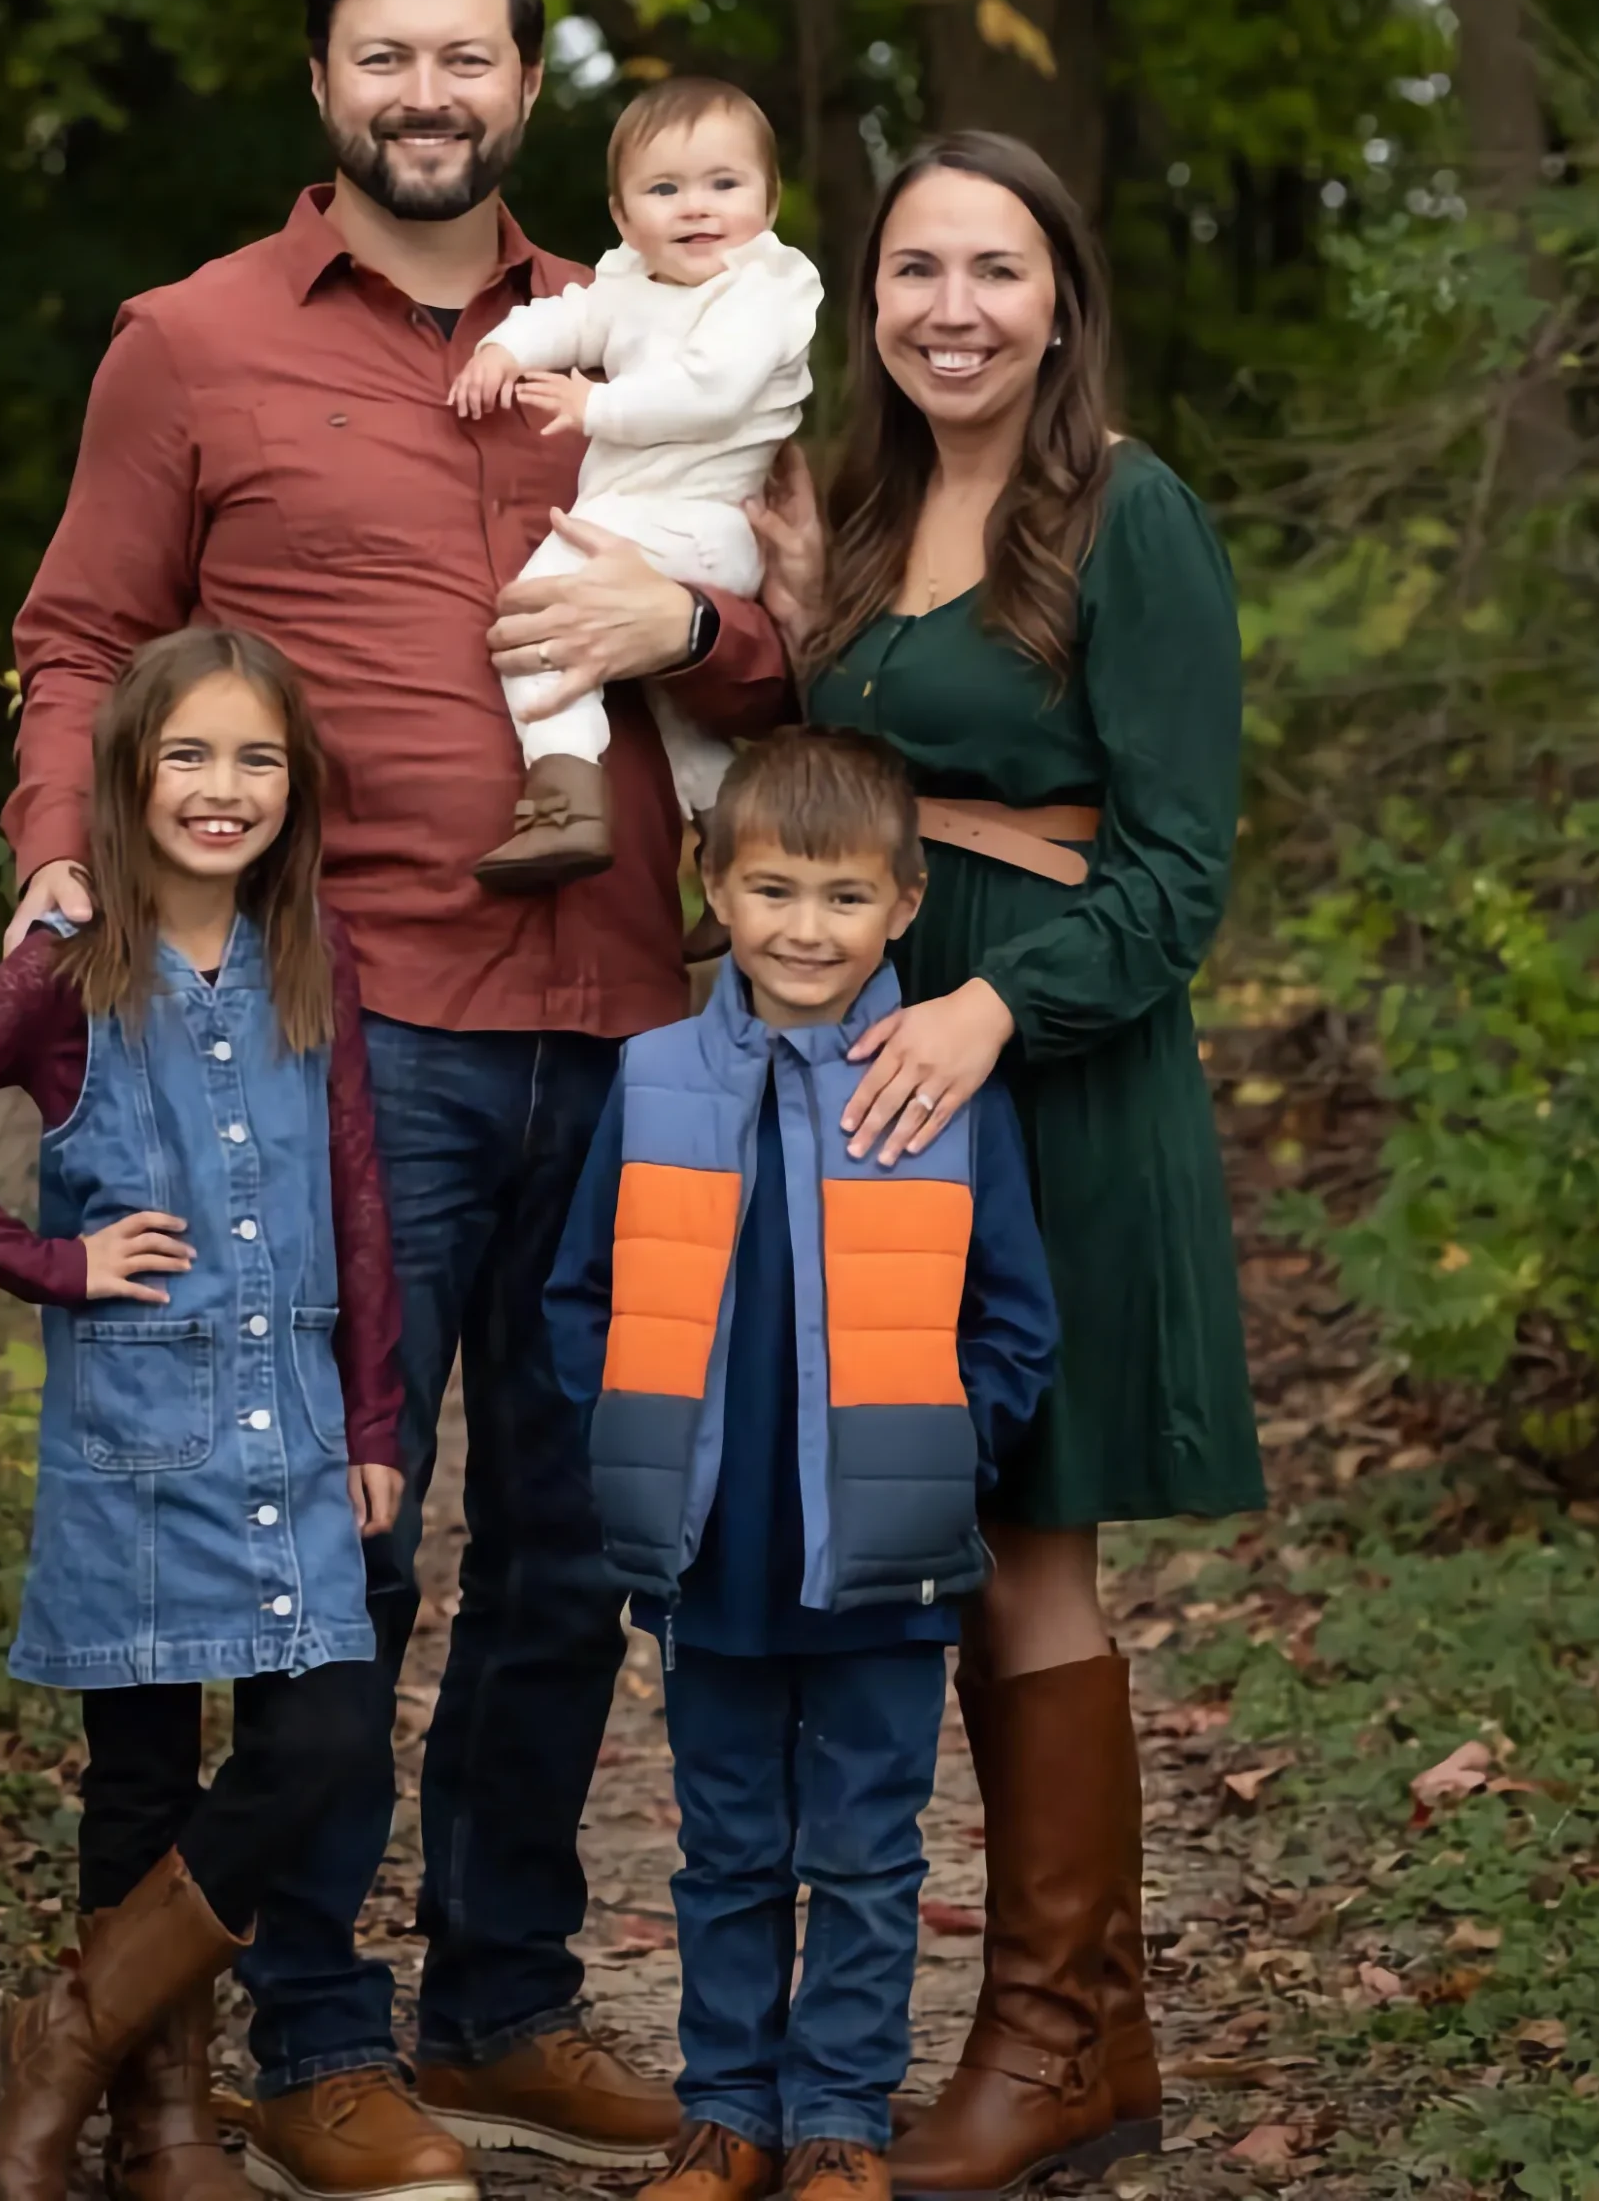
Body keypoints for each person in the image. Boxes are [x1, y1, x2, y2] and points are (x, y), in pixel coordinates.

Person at [1, 0, 792, 2201]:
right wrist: (66, 860)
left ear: (522, 82)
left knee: (573, 1537)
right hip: (329, 1041)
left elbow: (789, 626)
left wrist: (696, 616)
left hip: (638, 1019)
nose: (424, 91)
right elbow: (76, 634)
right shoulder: (192, 344)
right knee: (335, 1544)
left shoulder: (666, 314)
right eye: (382, 56)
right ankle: (310, 2027)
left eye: (464, 54)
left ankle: (502, 1994)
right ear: (320, 85)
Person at [748, 133, 1266, 2192]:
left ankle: (1045, 2031)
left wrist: (986, 1010)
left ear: (1058, 295)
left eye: (992, 267)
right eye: (909, 270)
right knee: (943, 1525)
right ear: (863, 301)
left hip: (1045, 1058)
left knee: (1028, 1534)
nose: (948, 305)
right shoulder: (861, 513)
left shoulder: (1127, 514)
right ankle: (1097, 2038)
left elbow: (1174, 870)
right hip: (875, 1073)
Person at [0, 629, 407, 2201]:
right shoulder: (63, 972)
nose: (223, 791)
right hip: (137, 1436)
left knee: (328, 1732)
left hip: (291, 1425)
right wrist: (49, 1262)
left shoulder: (314, 957)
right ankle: (162, 2126)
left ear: (296, 789)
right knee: (140, 1778)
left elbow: (357, 1195)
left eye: (257, 761)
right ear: (128, 775)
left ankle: (62, 2036)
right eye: (190, 757)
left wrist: (374, 1426)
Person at [546, 731, 1058, 2201]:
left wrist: (953, 1462)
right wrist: (621, 1442)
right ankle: (728, 2114)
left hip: (884, 1549)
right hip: (710, 1548)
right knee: (724, 1848)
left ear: (903, 907)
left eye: (844, 899)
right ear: (716, 887)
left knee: (869, 1849)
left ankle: (837, 2116)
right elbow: (580, 1294)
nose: (806, 929)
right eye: (773, 891)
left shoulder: (943, 1090)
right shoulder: (650, 1085)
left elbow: (1014, 1314)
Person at [449, 77, 822, 887]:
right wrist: (504, 352)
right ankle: (734, 857)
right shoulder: (630, 288)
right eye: (665, 190)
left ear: (770, 198)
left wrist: (596, 406)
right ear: (623, 217)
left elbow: (710, 390)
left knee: (542, 610)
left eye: (725, 185)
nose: (696, 208)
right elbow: (566, 317)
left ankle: (563, 794)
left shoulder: (764, 292)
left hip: (703, 524)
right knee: (675, 711)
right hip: (646, 525)